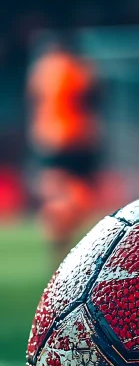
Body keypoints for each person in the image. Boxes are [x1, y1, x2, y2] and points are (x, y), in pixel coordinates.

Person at [27, 33, 102, 263]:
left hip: (48, 137)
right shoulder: (80, 68)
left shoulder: (41, 68)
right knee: (81, 194)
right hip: (78, 136)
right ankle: (66, 235)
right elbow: (93, 96)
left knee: (55, 192)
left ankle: (58, 239)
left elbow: (33, 99)